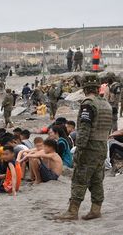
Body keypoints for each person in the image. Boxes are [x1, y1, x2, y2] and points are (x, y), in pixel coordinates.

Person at [57, 74, 112, 221]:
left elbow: (85, 129)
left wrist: (79, 148)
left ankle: (72, 211)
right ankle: (96, 209)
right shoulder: (106, 104)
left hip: (89, 147)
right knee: (96, 179)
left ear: (85, 88)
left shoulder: (88, 103)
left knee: (79, 178)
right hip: (102, 146)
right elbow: (109, 127)